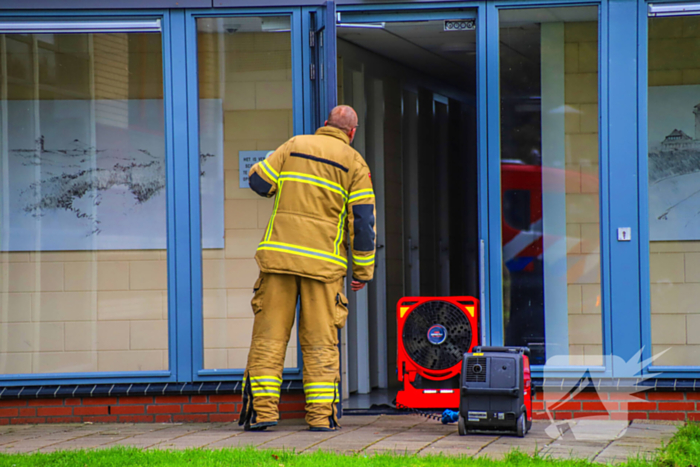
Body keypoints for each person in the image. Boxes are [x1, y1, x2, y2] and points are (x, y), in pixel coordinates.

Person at [238, 105, 376, 432]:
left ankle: (263, 413)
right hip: (323, 268)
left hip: (279, 261)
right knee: (320, 344)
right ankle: (319, 418)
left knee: (268, 340)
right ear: (352, 132)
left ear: (324, 124)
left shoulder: (293, 145)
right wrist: (362, 272)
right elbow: (364, 223)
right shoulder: (355, 164)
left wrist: (270, 159)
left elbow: (259, 183)